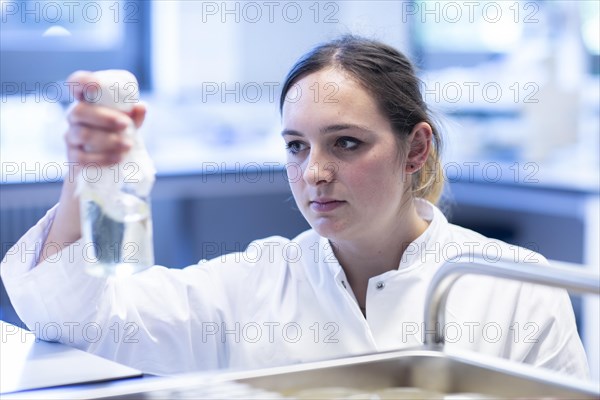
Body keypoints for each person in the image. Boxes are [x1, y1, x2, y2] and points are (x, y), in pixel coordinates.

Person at [1, 35, 589, 378]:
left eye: (346, 143)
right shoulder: (254, 283)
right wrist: (92, 172)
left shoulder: (515, 288)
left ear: (415, 148)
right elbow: (71, 316)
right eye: (296, 146)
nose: (314, 173)